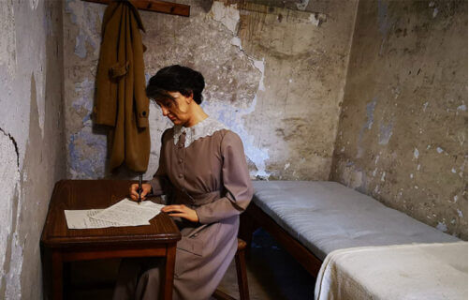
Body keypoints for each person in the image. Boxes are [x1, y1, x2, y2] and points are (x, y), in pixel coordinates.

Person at [113, 65, 254, 300]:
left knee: (156, 276)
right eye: (160, 106)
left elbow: (240, 198)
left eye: (169, 103)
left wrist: (198, 215)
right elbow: (166, 179)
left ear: (189, 95)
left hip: (215, 226)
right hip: (176, 218)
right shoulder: (169, 136)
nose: (165, 112)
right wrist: (150, 187)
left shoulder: (225, 140)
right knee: (132, 261)